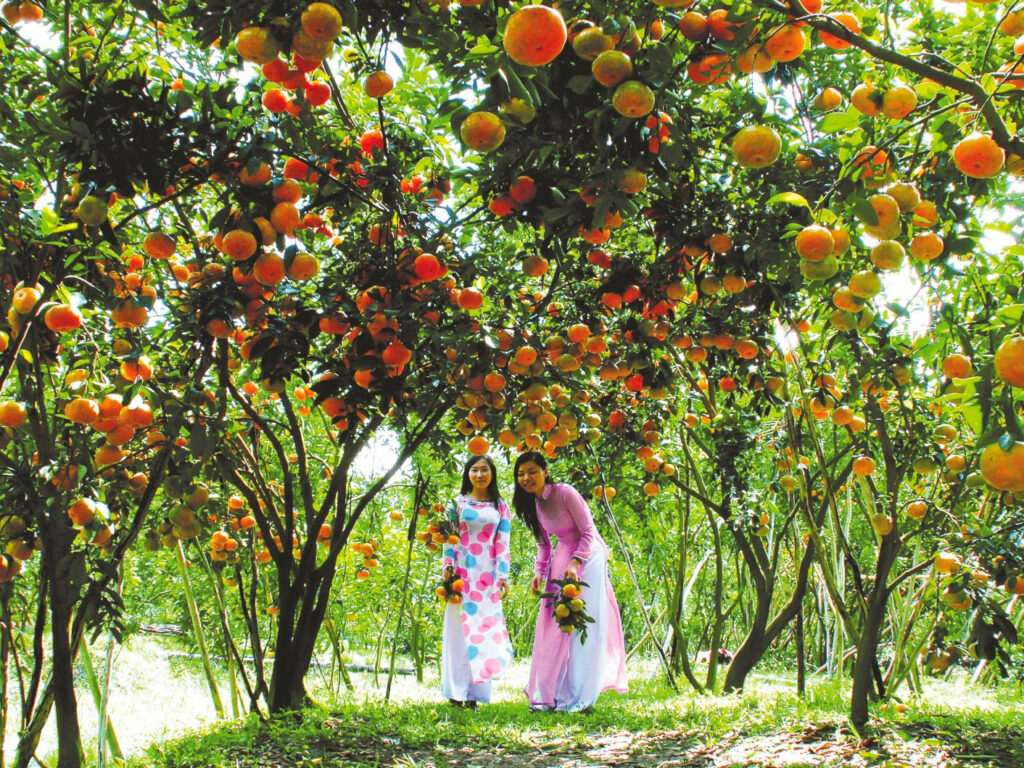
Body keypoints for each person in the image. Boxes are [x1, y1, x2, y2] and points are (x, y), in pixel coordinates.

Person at [512, 451, 627, 712]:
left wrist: (577, 562)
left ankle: (581, 697)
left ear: (545, 471)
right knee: (556, 621)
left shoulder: (565, 493)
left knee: (581, 621)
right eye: (521, 474)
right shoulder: (533, 504)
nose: (527, 478)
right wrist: (539, 572)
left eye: (532, 471)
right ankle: (552, 693)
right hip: (563, 552)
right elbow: (544, 544)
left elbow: (588, 531)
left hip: (589, 554)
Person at [440, 454, 513, 707]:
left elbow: (503, 542)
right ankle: (455, 693)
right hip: (461, 574)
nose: (479, 474)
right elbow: (448, 539)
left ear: (492, 473)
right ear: (467, 474)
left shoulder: (501, 506)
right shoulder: (456, 503)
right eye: (474, 470)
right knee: (458, 633)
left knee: (484, 633)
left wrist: (503, 575)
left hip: (487, 578)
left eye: (484, 470)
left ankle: (475, 695)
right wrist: (448, 567)